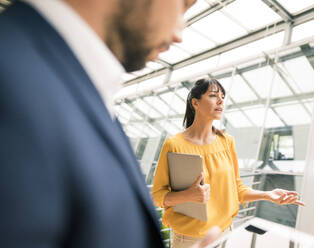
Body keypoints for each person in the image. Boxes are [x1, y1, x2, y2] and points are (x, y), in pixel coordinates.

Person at [0, 0, 220, 247]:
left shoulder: (70, 82)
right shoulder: (12, 86)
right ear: (195, 103)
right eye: (183, 4)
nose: (179, 35)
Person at [152, 78, 305, 248]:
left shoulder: (226, 141)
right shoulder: (174, 145)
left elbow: (237, 188)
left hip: (226, 233)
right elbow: (157, 196)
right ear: (195, 103)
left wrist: (267, 195)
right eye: (213, 95)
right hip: (190, 240)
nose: (220, 101)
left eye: (223, 97)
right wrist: (187, 195)